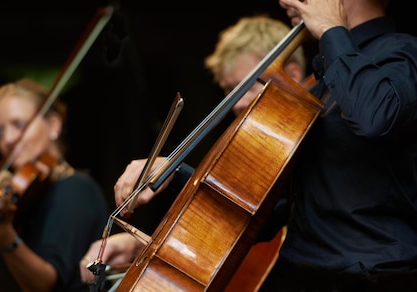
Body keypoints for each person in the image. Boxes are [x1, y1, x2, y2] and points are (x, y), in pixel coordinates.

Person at [88, 0, 417, 290]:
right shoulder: (321, 83)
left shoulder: (406, 54)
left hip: (369, 277)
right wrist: (172, 171)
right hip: (302, 275)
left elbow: (375, 118)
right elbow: (267, 211)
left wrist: (332, 31)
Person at [79, 14, 310, 285]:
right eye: (229, 89)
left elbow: (260, 219)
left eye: (249, 85)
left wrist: (173, 171)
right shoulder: (251, 145)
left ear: (292, 74)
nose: (236, 103)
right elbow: (220, 233)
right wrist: (141, 247)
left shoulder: (315, 131)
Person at [0, 78, 109, 291]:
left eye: (19, 124)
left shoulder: (76, 190)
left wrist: (4, 235)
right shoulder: (23, 202)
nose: (7, 139)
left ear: (53, 124)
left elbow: (47, 284)